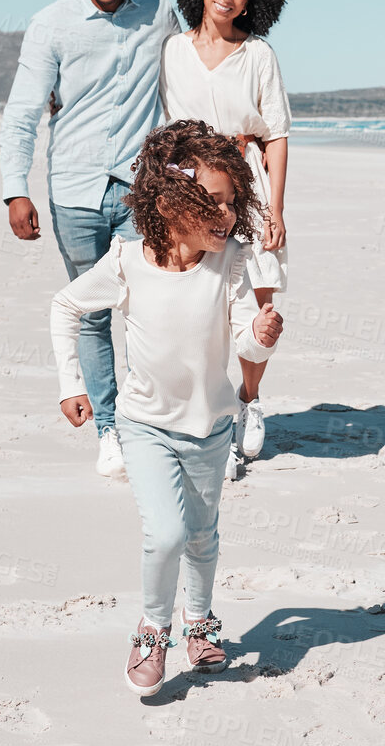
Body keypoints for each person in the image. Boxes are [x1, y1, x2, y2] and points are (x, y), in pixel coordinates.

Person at [48, 121, 283, 696]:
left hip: (210, 427)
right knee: (168, 534)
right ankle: (152, 630)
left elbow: (244, 344)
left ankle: (198, 624)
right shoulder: (128, 260)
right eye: (214, 203)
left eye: (233, 203)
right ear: (169, 200)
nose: (227, 217)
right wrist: (70, 384)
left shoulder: (228, 262)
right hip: (145, 425)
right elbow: (66, 305)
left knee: (204, 536)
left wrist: (262, 335)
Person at [0, 0, 179, 480]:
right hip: (73, 191)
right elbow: (24, 110)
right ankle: (110, 432)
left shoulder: (160, 14)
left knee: (151, 309)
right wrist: (15, 190)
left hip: (140, 188)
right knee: (93, 311)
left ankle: (151, 422)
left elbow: (189, 81)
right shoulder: (50, 24)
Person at [160, 0, 292, 479]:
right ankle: (206, 421)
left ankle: (249, 401)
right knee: (198, 303)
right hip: (187, 186)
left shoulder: (258, 54)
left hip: (249, 187)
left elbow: (278, 134)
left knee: (257, 303)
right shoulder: (171, 50)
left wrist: (277, 210)